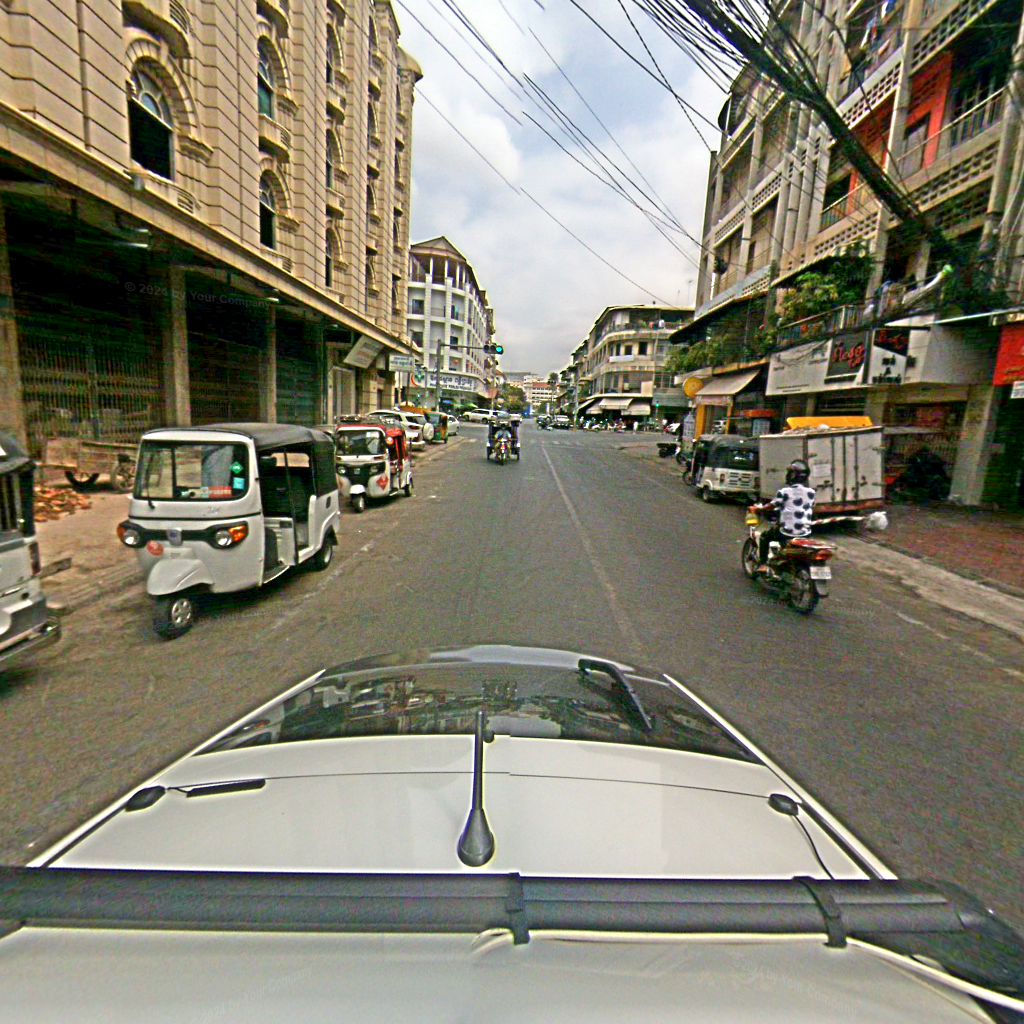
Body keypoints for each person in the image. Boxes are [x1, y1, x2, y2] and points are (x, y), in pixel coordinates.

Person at [755, 459, 816, 567]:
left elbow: (770, 506)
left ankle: (763, 564)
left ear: (792, 476)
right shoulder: (811, 493)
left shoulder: (784, 492)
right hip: (806, 533)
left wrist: (758, 509)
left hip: (786, 533)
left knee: (764, 536)